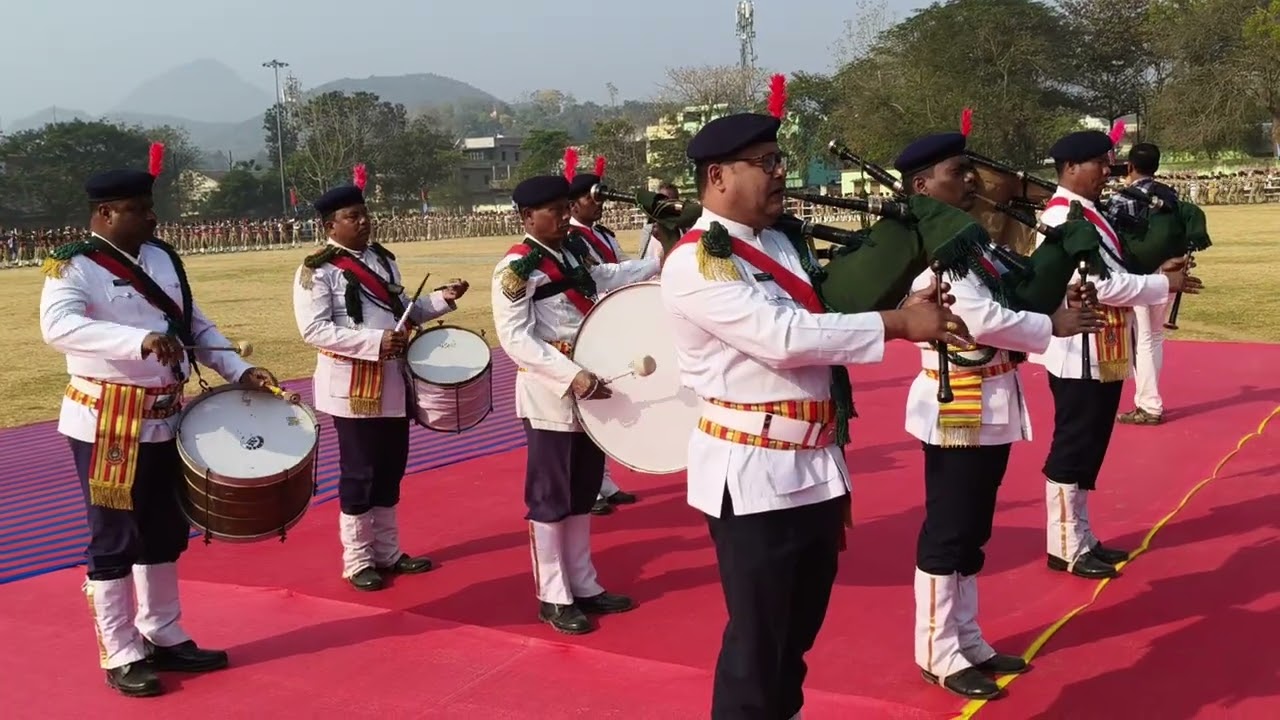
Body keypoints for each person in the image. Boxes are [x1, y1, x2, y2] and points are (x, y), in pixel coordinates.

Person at [660, 113, 975, 720]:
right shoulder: (696, 262)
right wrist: (899, 324)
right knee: (757, 646)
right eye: (766, 163)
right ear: (718, 175)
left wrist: (904, 300)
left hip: (813, 466)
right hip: (752, 476)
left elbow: (824, 314)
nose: (782, 173)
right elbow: (783, 336)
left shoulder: (779, 241)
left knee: (796, 642)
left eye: (780, 160)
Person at [39, 168, 279, 697]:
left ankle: (163, 632)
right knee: (115, 537)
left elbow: (194, 324)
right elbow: (58, 326)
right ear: (106, 213)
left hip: (167, 416)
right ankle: (122, 652)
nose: (152, 216)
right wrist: (138, 340)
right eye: (139, 208)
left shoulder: (163, 257)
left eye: (150, 206)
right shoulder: (72, 265)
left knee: (165, 532)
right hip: (111, 419)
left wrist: (238, 370)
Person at [894, 133, 1104, 699]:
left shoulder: (971, 240)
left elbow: (1012, 296)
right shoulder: (933, 243)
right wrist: (1051, 327)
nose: (969, 181)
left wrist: (1056, 304)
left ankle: (967, 638)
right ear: (921, 186)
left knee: (972, 531)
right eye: (956, 171)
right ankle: (938, 650)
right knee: (950, 529)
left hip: (989, 397)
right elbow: (982, 319)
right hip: (956, 403)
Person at [1030, 131, 1203, 579]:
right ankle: (1064, 544)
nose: (1107, 172)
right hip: (1078, 350)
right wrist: (1164, 285)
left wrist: (1155, 269)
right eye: (1097, 164)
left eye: (1108, 163)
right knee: (1073, 450)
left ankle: (1081, 537)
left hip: (1101, 347)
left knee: (1089, 451)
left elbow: (1116, 270)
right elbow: (1100, 285)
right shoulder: (1064, 215)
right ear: (1069, 168)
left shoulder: (1089, 212)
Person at [491, 175, 659, 634]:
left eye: (566, 209)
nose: (565, 217)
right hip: (553, 394)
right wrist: (572, 376)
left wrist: (660, 257)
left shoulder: (572, 252)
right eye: (554, 211)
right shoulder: (516, 267)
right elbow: (515, 339)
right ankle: (553, 595)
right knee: (550, 498)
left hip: (593, 387)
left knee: (583, 493)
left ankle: (584, 583)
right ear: (527, 217)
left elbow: (606, 277)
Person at [293, 185, 469, 592]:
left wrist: (442, 298)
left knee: (391, 470)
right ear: (329, 225)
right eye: (352, 216)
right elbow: (313, 329)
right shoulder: (317, 269)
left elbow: (404, 311)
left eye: (364, 213)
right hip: (352, 384)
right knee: (360, 473)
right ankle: (357, 560)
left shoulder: (382, 261)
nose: (363, 221)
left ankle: (388, 552)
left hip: (391, 379)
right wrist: (374, 342)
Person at [566, 167, 650, 514]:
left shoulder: (601, 233)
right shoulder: (573, 239)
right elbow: (602, 276)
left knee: (606, 402)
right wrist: (653, 265)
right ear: (573, 204)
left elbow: (622, 265)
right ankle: (592, 487)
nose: (597, 203)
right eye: (590, 197)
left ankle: (604, 481)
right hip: (586, 324)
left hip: (608, 322)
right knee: (585, 411)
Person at [1106, 142, 1179, 426]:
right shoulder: (1169, 194)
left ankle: (1149, 404)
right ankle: (1148, 400)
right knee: (1153, 337)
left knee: (1144, 339)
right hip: (1170, 271)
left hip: (1140, 275)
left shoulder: (1122, 197)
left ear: (1130, 167)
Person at [639, 182, 681, 261]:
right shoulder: (648, 230)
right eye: (661, 201)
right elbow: (642, 258)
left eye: (670, 201)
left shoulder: (683, 229)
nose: (665, 205)